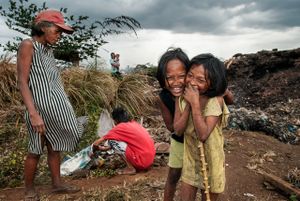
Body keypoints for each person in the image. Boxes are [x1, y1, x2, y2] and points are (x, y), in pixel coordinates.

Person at [17, 9, 83, 201]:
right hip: (37, 109)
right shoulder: (28, 45)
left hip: (53, 109)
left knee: (55, 147)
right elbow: (22, 82)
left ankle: (57, 184)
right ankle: (29, 190)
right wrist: (33, 113)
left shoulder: (48, 50)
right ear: (43, 27)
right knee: (35, 149)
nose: (60, 35)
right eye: (57, 30)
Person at [174, 53, 230, 201]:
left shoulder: (215, 101)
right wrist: (188, 105)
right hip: (191, 161)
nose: (192, 82)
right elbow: (178, 130)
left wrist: (195, 104)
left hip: (212, 160)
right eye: (190, 75)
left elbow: (203, 135)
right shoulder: (181, 98)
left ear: (212, 83)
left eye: (200, 80)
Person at [156, 47, 190, 201]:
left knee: (197, 178)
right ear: (163, 79)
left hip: (198, 141)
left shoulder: (196, 91)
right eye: (170, 77)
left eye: (181, 76)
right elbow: (172, 128)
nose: (176, 82)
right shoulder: (163, 97)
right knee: (173, 176)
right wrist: (178, 102)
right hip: (179, 142)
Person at [93, 107, 155, 175]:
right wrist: (103, 148)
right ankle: (133, 165)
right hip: (149, 160)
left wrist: (93, 148)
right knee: (113, 141)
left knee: (112, 140)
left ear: (115, 120)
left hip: (142, 162)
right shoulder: (134, 123)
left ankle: (130, 168)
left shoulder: (119, 128)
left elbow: (97, 143)